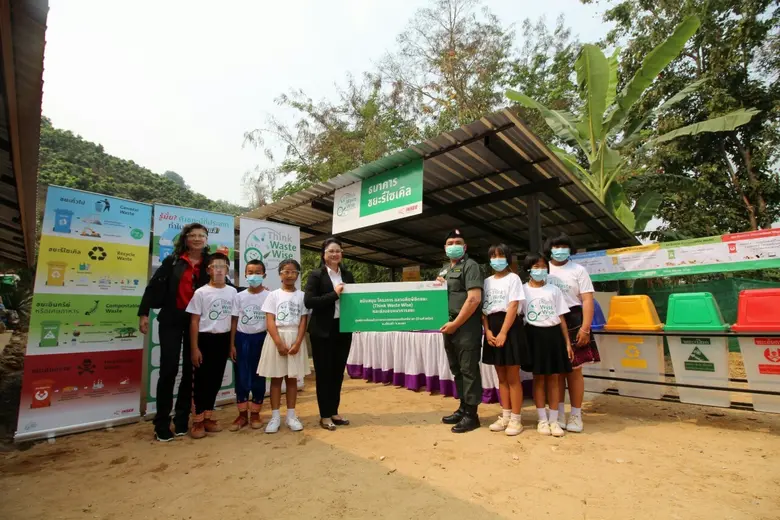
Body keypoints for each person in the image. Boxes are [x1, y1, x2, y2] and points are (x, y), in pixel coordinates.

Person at [138, 222, 211, 442]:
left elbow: (223, 287)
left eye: (202, 235)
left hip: (196, 323)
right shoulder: (172, 261)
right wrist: (144, 313)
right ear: (185, 238)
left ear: (206, 240)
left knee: (191, 371)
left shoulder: (210, 263)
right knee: (168, 370)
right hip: (171, 319)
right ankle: (161, 422)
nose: (197, 238)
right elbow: (153, 286)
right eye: (193, 235)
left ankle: (181, 419)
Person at [545, 234, 600, 434]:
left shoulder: (579, 270)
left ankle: (576, 414)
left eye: (564, 246)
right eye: (556, 245)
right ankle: (558, 413)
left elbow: (587, 300)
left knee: (575, 370)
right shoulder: (543, 269)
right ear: (549, 248)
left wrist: (585, 328)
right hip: (550, 321)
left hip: (575, 320)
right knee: (557, 371)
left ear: (570, 249)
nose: (560, 249)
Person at [304, 238, 355, 431]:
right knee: (324, 374)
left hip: (343, 329)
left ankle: (334, 411)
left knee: (337, 373)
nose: (335, 254)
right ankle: (324, 415)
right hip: (322, 332)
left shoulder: (348, 274)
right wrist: (334, 294)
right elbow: (309, 302)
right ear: (324, 254)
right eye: (331, 251)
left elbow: (354, 301)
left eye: (338, 251)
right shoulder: (316, 275)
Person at [186, 252, 237, 439]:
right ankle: (197, 421)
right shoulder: (201, 292)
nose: (219, 270)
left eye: (222, 266)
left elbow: (233, 320)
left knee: (215, 380)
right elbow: (194, 321)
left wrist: (231, 344)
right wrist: (194, 348)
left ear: (227, 270)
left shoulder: (232, 292)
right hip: (204, 340)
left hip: (223, 340)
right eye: (215, 266)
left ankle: (208, 417)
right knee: (201, 381)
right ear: (208, 269)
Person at [522, 253, 573, 438]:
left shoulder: (554, 290)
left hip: (554, 336)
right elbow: (516, 314)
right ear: (528, 269)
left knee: (554, 379)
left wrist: (567, 342)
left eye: (543, 266)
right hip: (533, 336)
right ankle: (542, 420)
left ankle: (554, 420)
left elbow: (561, 318)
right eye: (535, 266)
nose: (539, 270)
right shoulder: (522, 290)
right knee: (539, 379)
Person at [437, 229, 484, 433]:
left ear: (464, 247)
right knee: (457, 369)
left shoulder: (471, 266)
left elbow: (474, 299)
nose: (453, 245)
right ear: (445, 248)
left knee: (468, 370)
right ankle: (463, 407)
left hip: (465, 328)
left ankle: (472, 415)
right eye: (450, 242)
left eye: (458, 242)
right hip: (449, 327)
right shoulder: (444, 270)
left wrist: (456, 323)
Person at [257, 259, 311, 433]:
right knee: (276, 379)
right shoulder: (273, 295)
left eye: (293, 272)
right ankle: (274, 417)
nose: (289, 275)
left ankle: (291, 416)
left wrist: (298, 342)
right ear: (280, 273)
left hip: (295, 337)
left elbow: (304, 321)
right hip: (276, 339)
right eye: (286, 271)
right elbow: (270, 320)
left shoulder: (302, 296)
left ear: (297, 275)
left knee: (292, 379)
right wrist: (278, 343)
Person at [481, 244, 530, 437]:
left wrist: (502, 333)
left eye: (501, 255)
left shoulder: (513, 279)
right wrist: (487, 331)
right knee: (500, 376)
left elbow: (513, 306)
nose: (497, 259)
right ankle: (505, 415)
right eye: (493, 256)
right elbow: (484, 310)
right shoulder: (486, 281)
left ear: (508, 258)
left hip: (510, 329)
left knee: (512, 377)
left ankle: (517, 419)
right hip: (491, 328)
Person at [229, 259, 269, 431]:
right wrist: (232, 344)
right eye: (250, 272)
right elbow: (234, 320)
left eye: (258, 272)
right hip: (242, 339)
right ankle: (242, 415)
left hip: (262, 339)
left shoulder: (270, 296)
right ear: (245, 274)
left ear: (264, 275)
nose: (254, 276)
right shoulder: (239, 297)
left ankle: (255, 414)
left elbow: (272, 320)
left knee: (259, 377)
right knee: (241, 377)